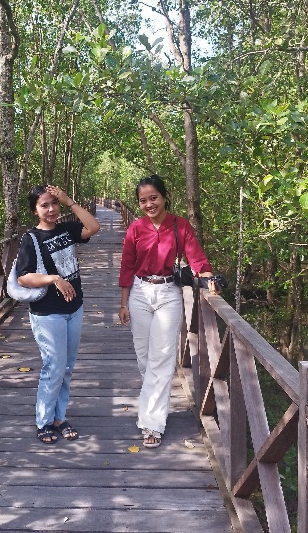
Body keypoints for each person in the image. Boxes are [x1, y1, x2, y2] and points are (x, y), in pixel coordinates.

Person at [118, 174, 220, 449]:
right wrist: (124, 302)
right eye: (143, 201)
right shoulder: (136, 228)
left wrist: (210, 279)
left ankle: (152, 423)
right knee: (144, 359)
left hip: (168, 294)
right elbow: (127, 266)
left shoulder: (180, 225)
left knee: (161, 360)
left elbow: (197, 259)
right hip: (139, 293)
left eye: (154, 198)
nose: (149, 204)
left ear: (164, 197)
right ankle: (154, 403)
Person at [16, 184, 100, 444]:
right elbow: (24, 277)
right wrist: (54, 278)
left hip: (74, 308)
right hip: (47, 312)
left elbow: (93, 228)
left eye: (54, 203)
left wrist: (69, 201)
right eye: (44, 205)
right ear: (34, 210)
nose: (51, 209)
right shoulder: (30, 239)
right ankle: (44, 421)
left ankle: (58, 417)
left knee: (66, 367)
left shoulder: (66, 229)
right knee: (54, 367)